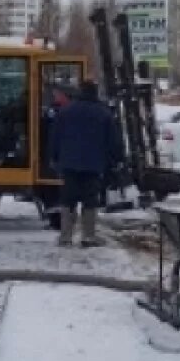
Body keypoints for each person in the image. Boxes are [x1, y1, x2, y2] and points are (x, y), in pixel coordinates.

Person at [48, 80, 123, 248]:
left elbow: (55, 137)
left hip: (69, 163)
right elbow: (113, 141)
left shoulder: (66, 111)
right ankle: (88, 236)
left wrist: (54, 158)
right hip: (93, 165)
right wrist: (115, 161)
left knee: (68, 200)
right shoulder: (103, 113)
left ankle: (65, 237)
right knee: (90, 200)